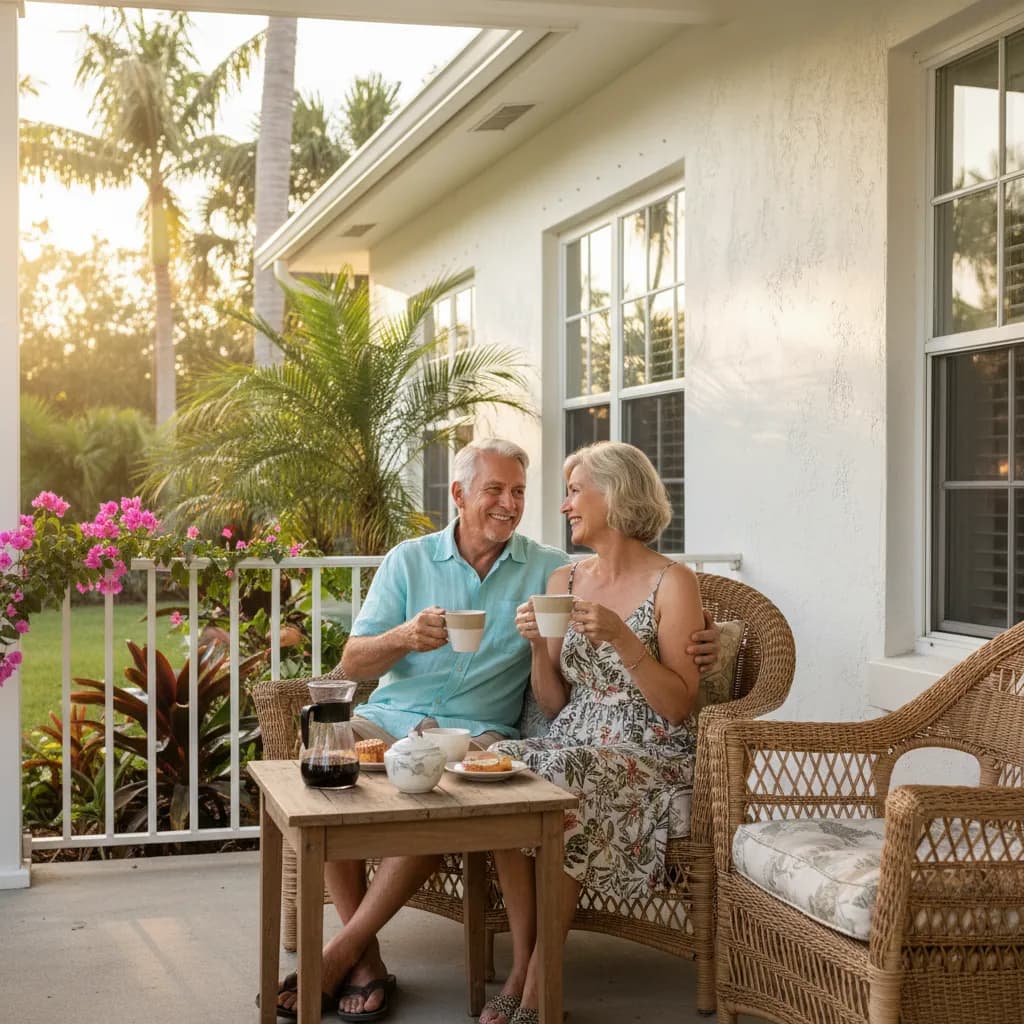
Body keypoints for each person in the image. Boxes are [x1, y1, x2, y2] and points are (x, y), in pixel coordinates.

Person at [273, 437, 719, 1021]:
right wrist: (415, 637)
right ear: (459, 494)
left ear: (613, 495)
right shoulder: (431, 562)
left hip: (523, 734)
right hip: (406, 720)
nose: (523, 504)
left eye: (526, 492)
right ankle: (360, 955)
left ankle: (516, 980)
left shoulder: (553, 567)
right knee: (330, 764)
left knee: (491, 773)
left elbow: (672, 683)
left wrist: (694, 638)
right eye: (496, 491)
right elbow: (354, 662)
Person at [479, 441, 705, 1024]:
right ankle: (526, 961)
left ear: (616, 493)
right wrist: (536, 645)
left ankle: (535, 986)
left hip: (650, 747)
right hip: (576, 736)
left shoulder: (674, 583)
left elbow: (678, 705)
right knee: (495, 766)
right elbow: (555, 702)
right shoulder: (564, 577)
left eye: (575, 489)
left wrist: (625, 641)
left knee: (561, 776)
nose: (564, 505)